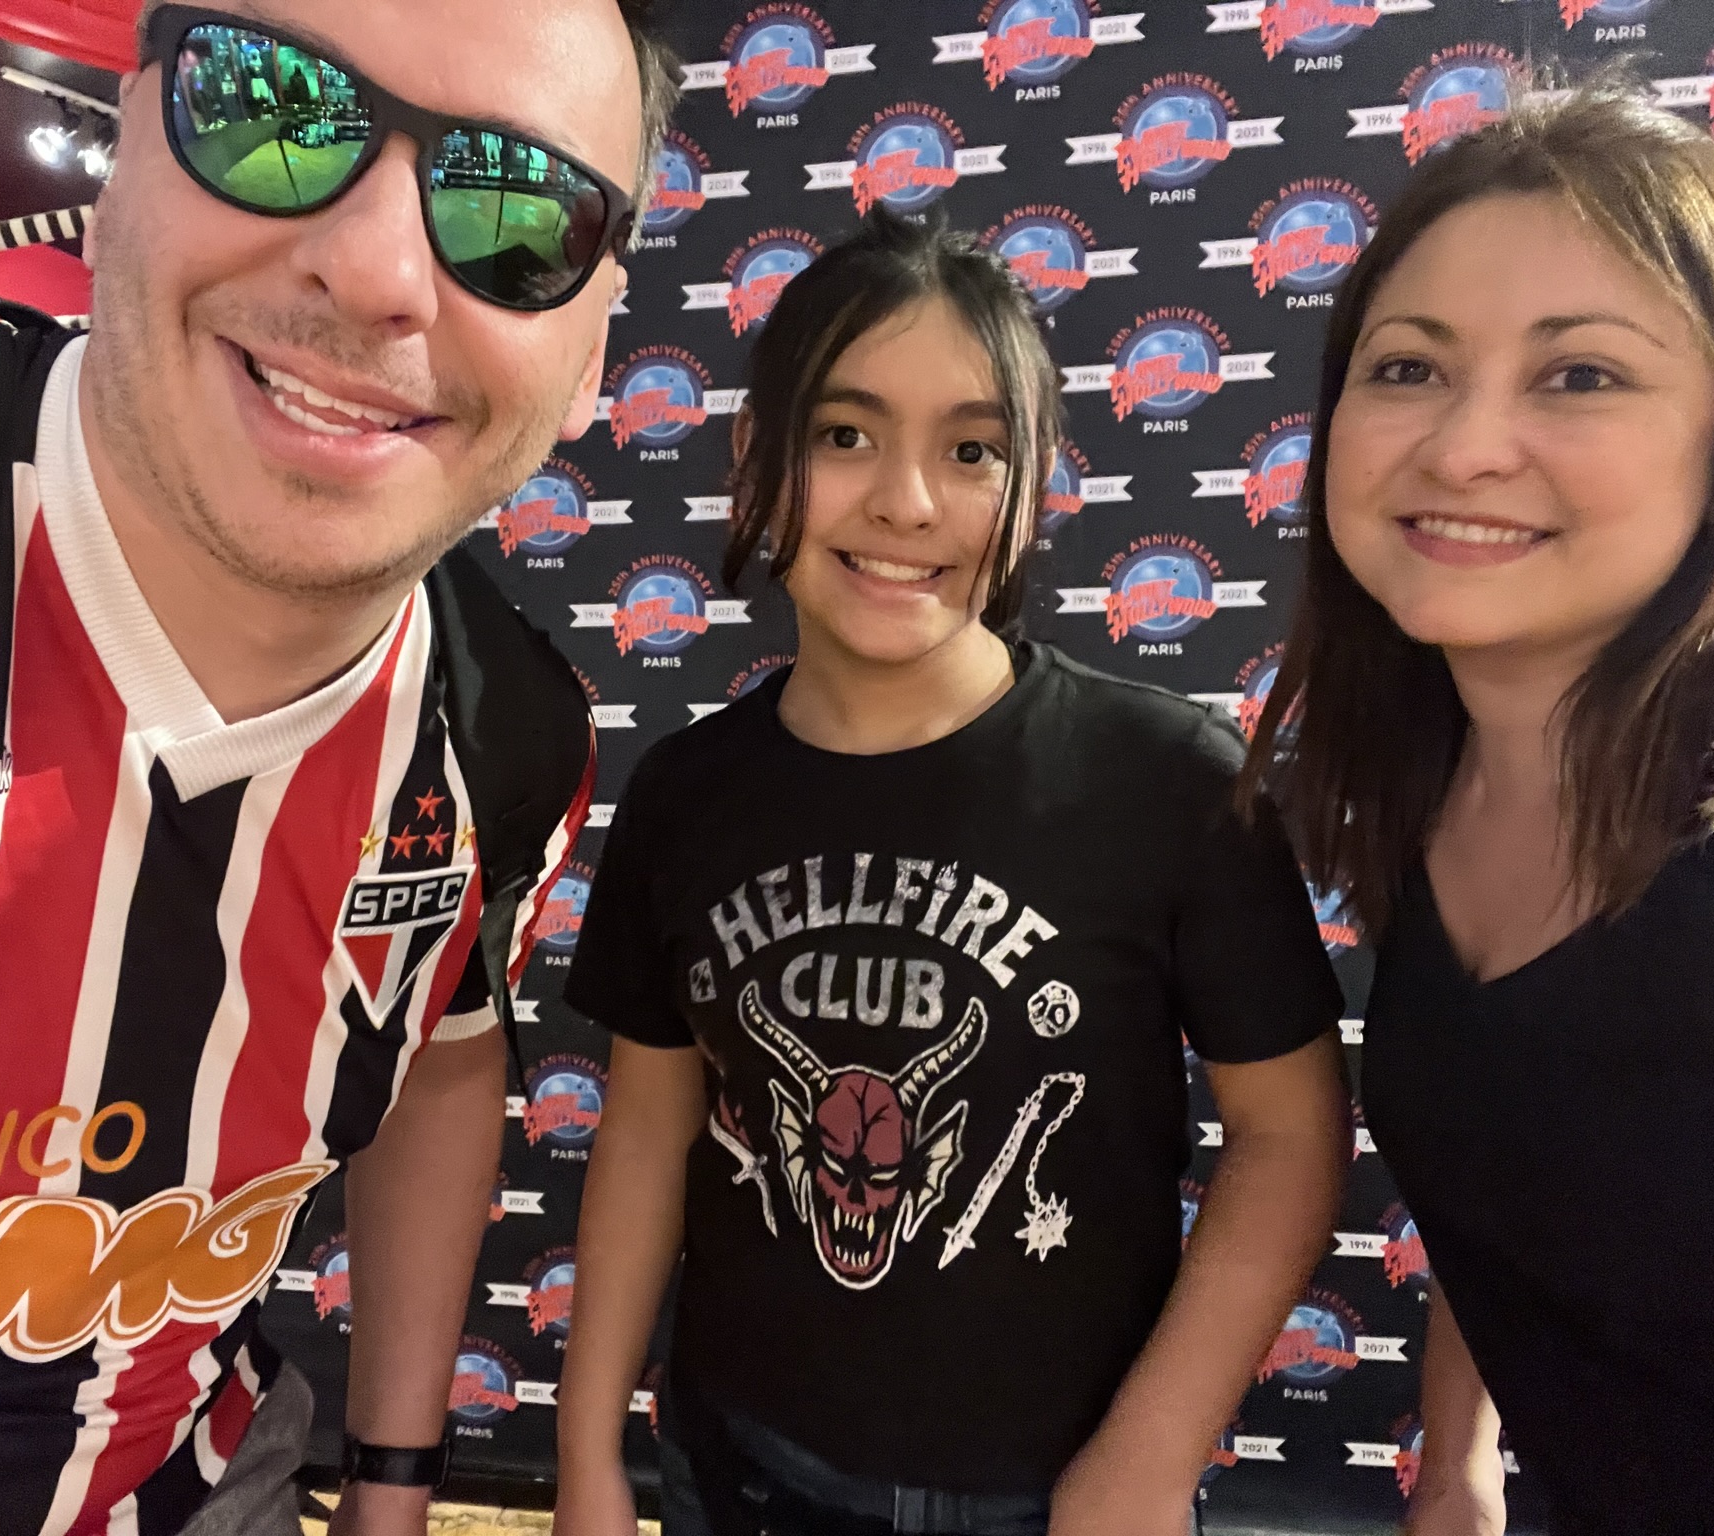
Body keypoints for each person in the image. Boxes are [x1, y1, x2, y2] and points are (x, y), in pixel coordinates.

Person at [0, 2, 678, 1533]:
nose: (377, 273)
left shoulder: (506, 740)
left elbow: (444, 1054)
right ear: (123, 145)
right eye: (272, 110)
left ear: (592, 349)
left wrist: (393, 1486)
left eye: (517, 210)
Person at [553, 210, 1351, 1536]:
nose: (907, 501)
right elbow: (644, 1127)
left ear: (1032, 490)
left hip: (1062, 1494)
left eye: (973, 450)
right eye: (843, 434)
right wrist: (587, 1449)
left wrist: (1149, 1458)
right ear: (756, 458)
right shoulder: (689, 794)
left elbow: (1290, 1136)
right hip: (738, 1466)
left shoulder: (1169, 781)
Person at [1237, 80, 1714, 1535]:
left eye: (1582, 376)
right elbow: (1536, 1170)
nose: (1465, 446)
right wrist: (1460, 1465)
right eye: (1409, 368)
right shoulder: (1437, 778)